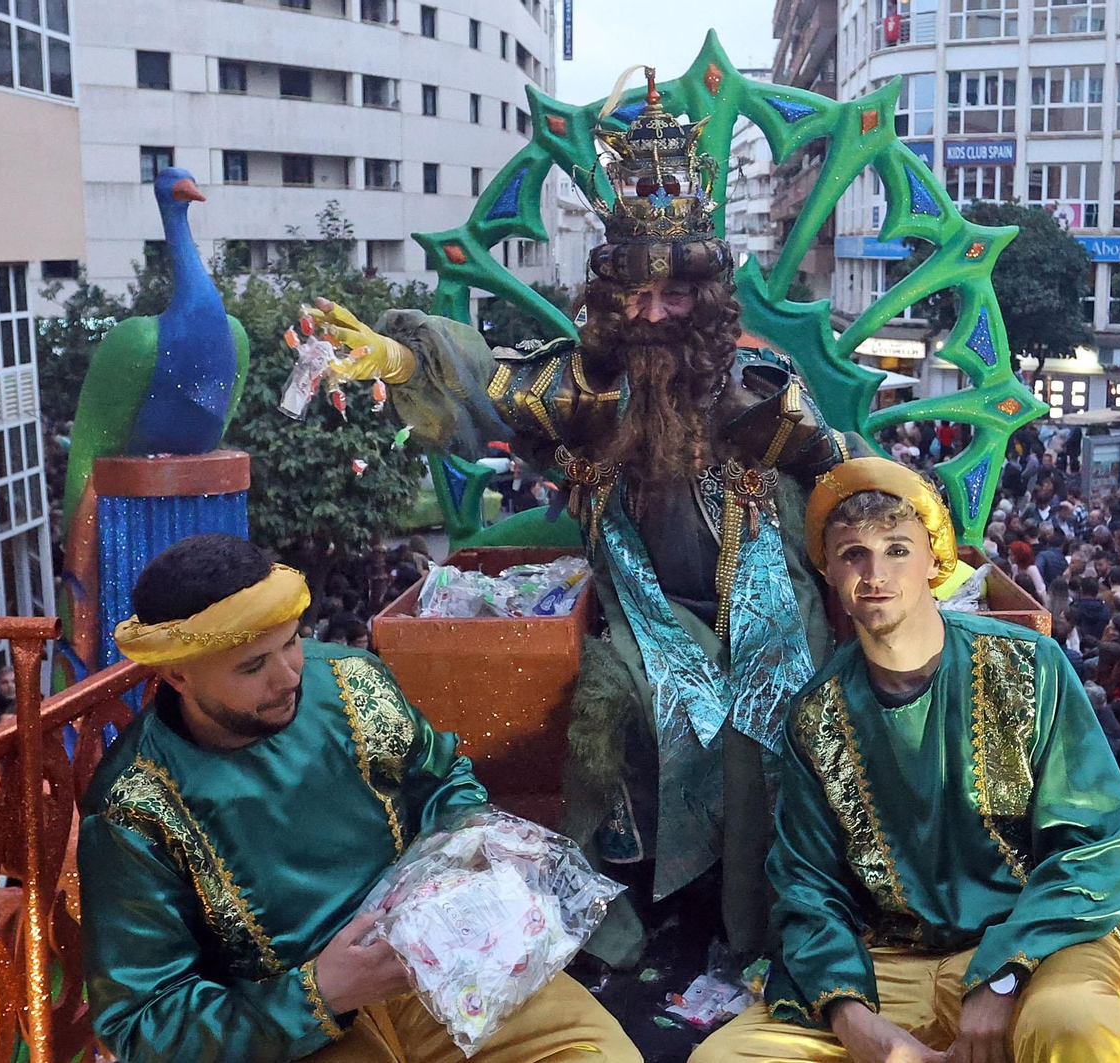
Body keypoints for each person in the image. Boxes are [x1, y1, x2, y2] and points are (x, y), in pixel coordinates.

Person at [308, 71, 859, 962]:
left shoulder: (764, 397)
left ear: (706, 301)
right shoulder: (583, 386)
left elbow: (846, 481)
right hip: (644, 617)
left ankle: (765, 921)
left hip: (767, 607)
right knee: (607, 703)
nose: (651, 313)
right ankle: (620, 918)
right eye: (633, 297)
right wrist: (402, 360)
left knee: (767, 719)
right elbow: (488, 392)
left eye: (672, 295)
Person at [77, 534, 637, 1063]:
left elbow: (441, 782)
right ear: (177, 675)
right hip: (288, 1033)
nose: (290, 675)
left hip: (443, 962)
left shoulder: (352, 682)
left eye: (292, 640)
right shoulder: (134, 807)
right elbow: (143, 1022)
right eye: (253, 665)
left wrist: (472, 839)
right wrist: (319, 993)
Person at [693, 457, 1120, 1063]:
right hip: (892, 957)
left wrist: (1005, 977)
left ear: (936, 559)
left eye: (897, 549)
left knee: (1072, 1027)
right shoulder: (817, 714)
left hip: (1038, 939)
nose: (875, 573)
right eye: (853, 553)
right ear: (827, 569)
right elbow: (808, 887)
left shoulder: (1030, 667)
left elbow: (1096, 846)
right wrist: (858, 1025)